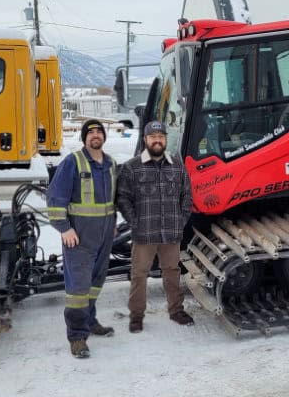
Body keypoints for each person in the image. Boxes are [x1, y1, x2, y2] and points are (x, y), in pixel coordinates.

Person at [47, 119, 118, 359]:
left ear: (104, 137)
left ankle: (89, 321)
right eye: (91, 132)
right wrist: (64, 228)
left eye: (99, 132)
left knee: (95, 283)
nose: (95, 135)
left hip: (104, 234)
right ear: (84, 138)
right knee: (78, 288)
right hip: (79, 238)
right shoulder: (73, 162)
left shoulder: (110, 164)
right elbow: (56, 197)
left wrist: (113, 224)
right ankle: (77, 337)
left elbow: (111, 200)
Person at [116, 120, 194, 333]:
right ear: (145, 140)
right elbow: (122, 198)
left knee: (172, 271)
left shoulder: (177, 165)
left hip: (171, 232)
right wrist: (135, 222)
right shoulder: (132, 167)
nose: (157, 140)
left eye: (160, 136)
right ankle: (136, 316)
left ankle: (176, 310)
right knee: (139, 274)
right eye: (153, 137)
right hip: (144, 234)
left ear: (165, 139)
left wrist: (181, 218)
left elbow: (187, 195)